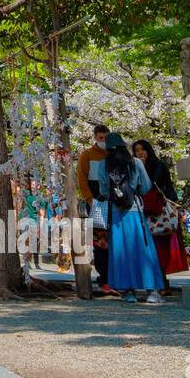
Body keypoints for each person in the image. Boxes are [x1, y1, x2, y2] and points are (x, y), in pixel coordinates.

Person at [93, 133, 165, 303]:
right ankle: (152, 290)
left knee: (120, 251)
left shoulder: (103, 165)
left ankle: (128, 291)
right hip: (135, 210)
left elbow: (103, 190)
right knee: (143, 249)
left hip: (116, 212)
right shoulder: (136, 163)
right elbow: (146, 186)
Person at [134, 138, 188, 288]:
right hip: (147, 211)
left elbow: (152, 186)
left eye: (142, 150)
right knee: (151, 249)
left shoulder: (157, 166)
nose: (139, 153)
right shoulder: (137, 167)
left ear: (148, 150)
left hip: (160, 212)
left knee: (161, 248)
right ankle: (157, 282)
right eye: (137, 151)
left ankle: (162, 282)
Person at [77, 124, 113, 292]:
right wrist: (90, 199)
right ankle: (104, 277)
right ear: (95, 137)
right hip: (96, 202)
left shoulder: (114, 154)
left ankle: (114, 276)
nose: (103, 140)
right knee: (100, 242)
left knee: (114, 241)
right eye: (100, 137)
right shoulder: (87, 155)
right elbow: (82, 179)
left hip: (114, 203)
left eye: (105, 137)